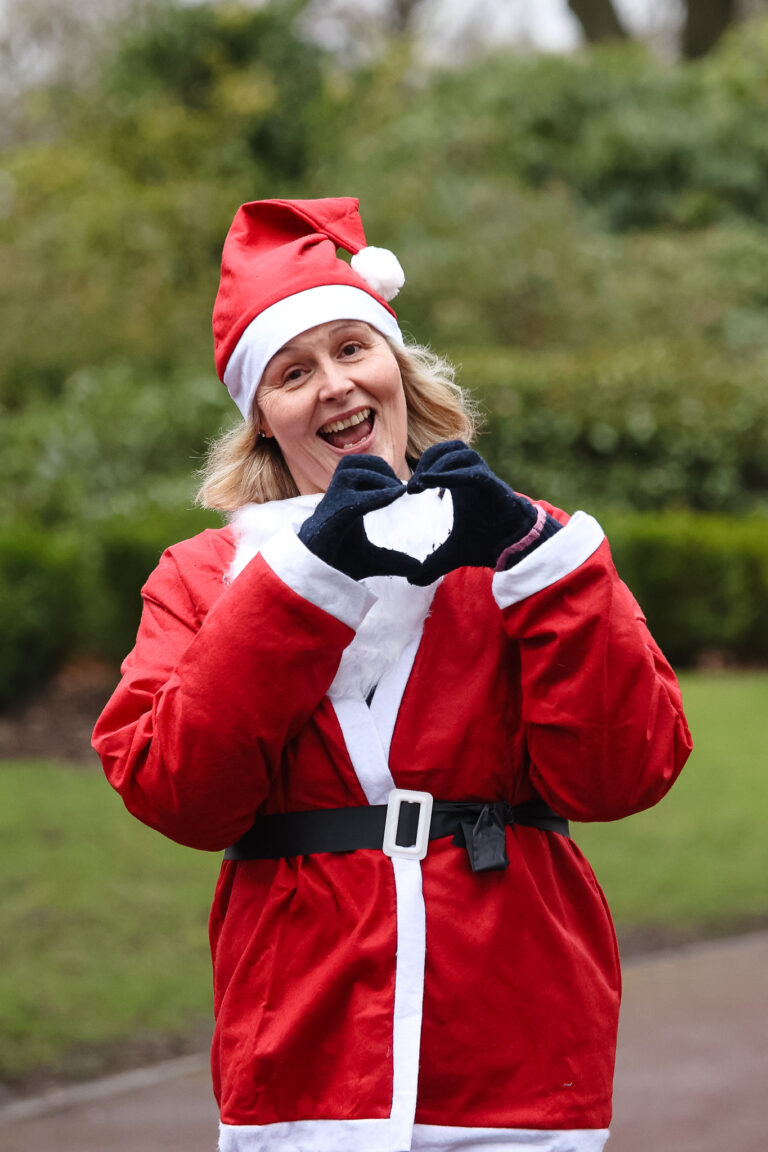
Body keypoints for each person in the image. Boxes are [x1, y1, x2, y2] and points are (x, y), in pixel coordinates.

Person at [93, 196, 692, 1152]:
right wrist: (304, 582)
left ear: (399, 370)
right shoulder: (207, 576)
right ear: (261, 418)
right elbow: (182, 795)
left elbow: (625, 774)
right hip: (301, 1057)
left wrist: (540, 562)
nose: (333, 386)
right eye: (294, 371)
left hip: (518, 1055)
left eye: (353, 350)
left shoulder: (527, 544)